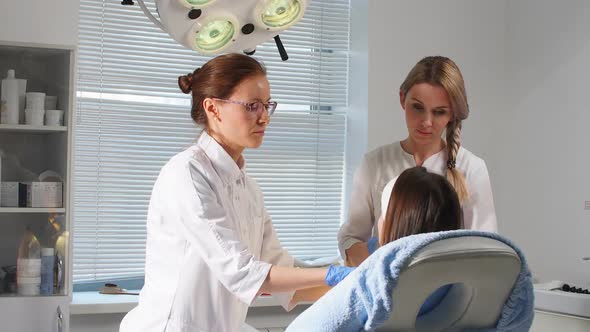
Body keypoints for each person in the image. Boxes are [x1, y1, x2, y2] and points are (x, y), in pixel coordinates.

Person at [119, 53, 351, 332]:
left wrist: (357, 286)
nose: (264, 118)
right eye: (252, 106)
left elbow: (287, 282)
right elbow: (241, 272)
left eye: (267, 106)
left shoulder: (248, 188)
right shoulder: (187, 174)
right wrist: (332, 275)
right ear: (213, 108)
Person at [338, 56, 497, 267]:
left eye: (439, 112)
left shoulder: (471, 169)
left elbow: (484, 252)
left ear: (452, 115)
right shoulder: (375, 164)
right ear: (403, 99)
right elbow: (350, 239)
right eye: (418, 107)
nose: (426, 122)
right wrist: (387, 264)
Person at [377, 166, 463, 315]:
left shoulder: (378, 291)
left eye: (383, 215)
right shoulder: (460, 284)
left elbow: (367, 279)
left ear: (394, 225)